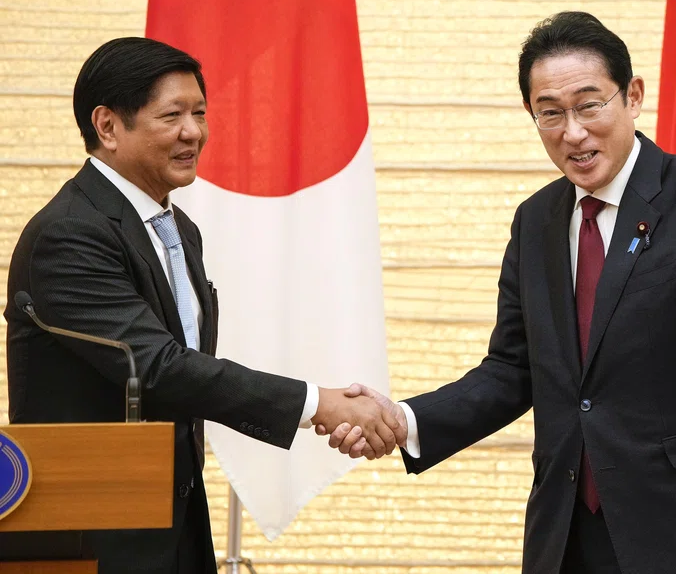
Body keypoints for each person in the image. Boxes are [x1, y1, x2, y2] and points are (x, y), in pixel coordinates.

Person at [325, 12, 676, 573]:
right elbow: (511, 370)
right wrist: (404, 419)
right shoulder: (536, 221)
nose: (572, 132)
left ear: (633, 96)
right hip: (570, 530)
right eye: (550, 113)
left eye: (589, 105)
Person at [3, 37, 402, 574]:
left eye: (200, 113)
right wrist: (318, 404)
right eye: (172, 115)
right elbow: (160, 367)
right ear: (107, 126)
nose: (194, 132)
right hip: (93, 535)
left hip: (172, 523)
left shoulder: (176, 227)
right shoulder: (70, 234)